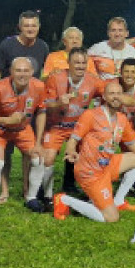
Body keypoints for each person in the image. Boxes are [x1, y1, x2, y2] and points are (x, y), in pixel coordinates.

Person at [54, 81, 135, 222]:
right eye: (111, 94)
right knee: (111, 218)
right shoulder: (91, 115)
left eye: (118, 94)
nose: (115, 97)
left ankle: (118, 201)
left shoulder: (122, 119)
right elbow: (73, 139)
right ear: (104, 97)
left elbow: (134, 146)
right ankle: (64, 199)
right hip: (90, 173)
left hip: (107, 165)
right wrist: (70, 151)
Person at [0, 57, 47, 215]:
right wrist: (6, 120)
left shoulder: (39, 86)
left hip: (22, 129)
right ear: (11, 72)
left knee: (38, 158)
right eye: (18, 70)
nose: (22, 74)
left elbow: (41, 111)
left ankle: (31, 198)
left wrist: (39, 142)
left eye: (26, 70)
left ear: (32, 72)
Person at [42, 47, 102, 199]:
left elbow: (109, 92)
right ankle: (46, 194)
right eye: (76, 62)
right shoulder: (56, 78)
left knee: (88, 153)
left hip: (77, 127)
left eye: (83, 63)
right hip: (55, 125)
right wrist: (58, 103)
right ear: (68, 63)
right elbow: (44, 105)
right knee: (48, 158)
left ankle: (72, 185)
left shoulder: (93, 81)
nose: (80, 66)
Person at [89, 16, 135, 82]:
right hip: (104, 90)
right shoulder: (97, 48)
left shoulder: (134, 53)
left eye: (120, 30)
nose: (117, 34)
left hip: (126, 90)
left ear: (126, 33)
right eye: (113, 30)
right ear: (108, 33)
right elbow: (82, 59)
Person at [0, 10, 50, 80]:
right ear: (20, 27)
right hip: (10, 90)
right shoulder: (7, 45)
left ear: (39, 26)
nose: (30, 29)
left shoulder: (43, 47)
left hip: (34, 90)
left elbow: (47, 73)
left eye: (34, 26)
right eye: (26, 26)